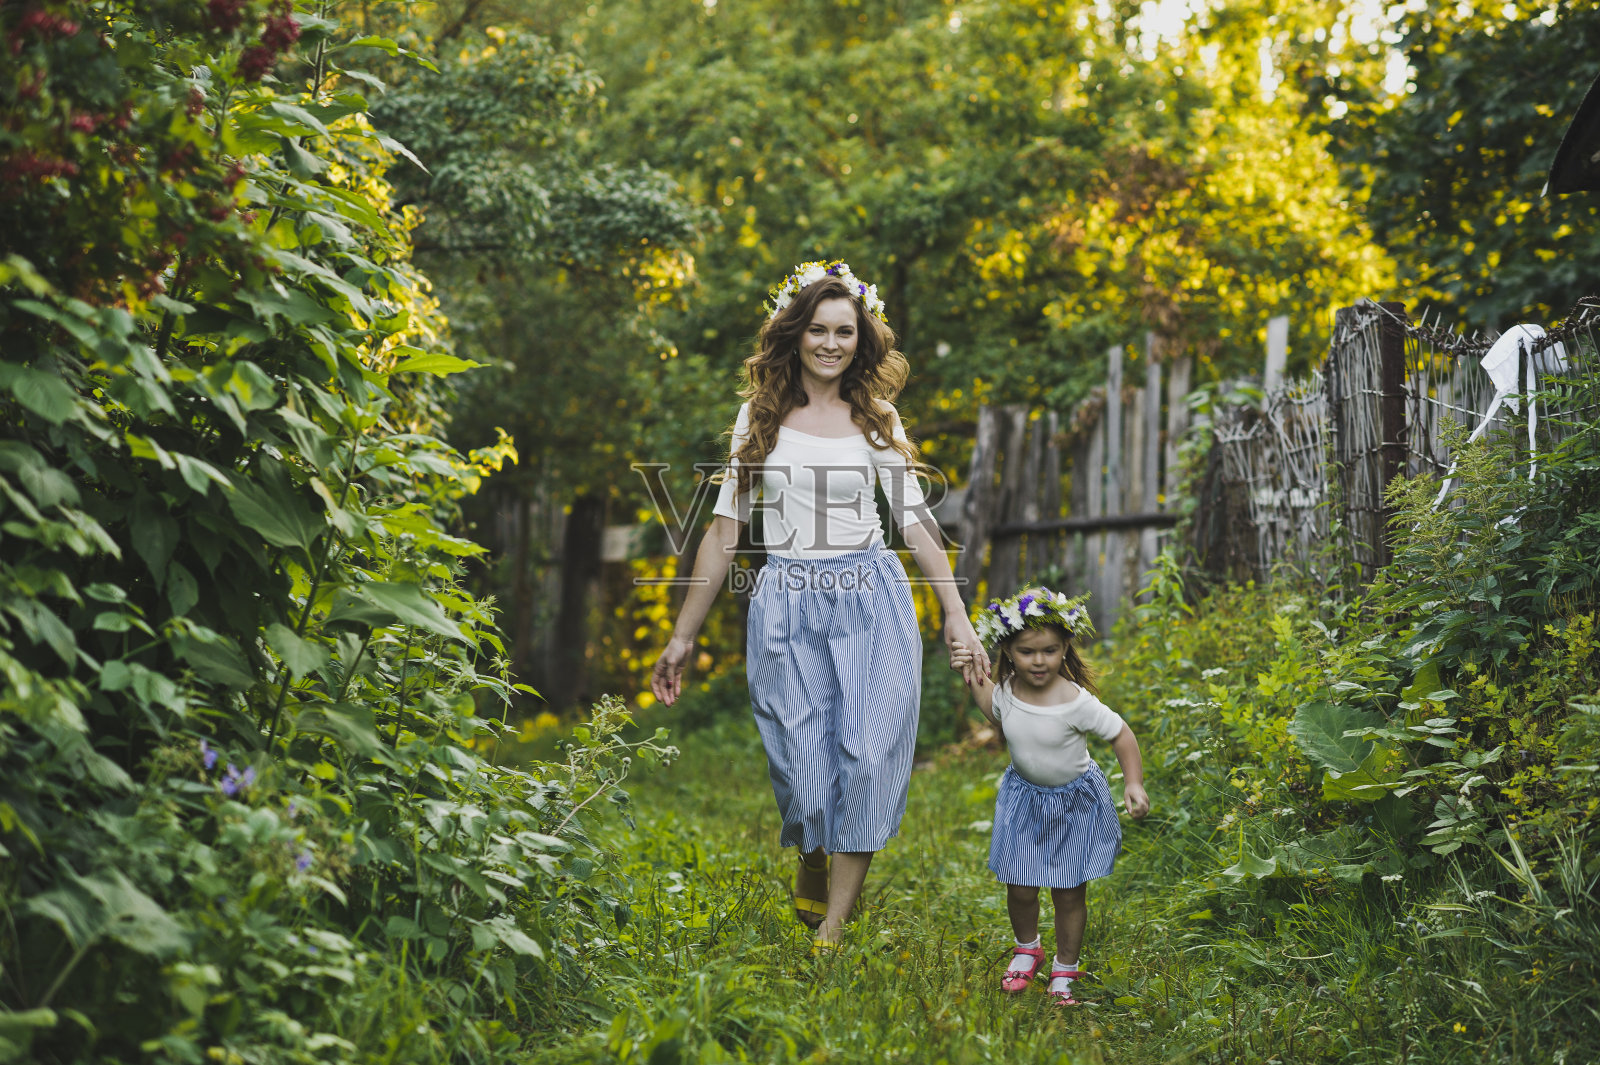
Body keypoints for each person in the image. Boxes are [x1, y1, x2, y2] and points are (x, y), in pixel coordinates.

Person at [649, 260, 989, 946]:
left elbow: (916, 520)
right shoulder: (762, 415)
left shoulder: (877, 418)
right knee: (801, 763)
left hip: (871, 597)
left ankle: (832, 926)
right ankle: (810, 846)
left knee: (866, 754)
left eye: (846, 331)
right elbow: (723, 530)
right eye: (818, 330)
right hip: (786, 599)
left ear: (862, 339)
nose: (831, 343)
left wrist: (955, 611)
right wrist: (683, 634)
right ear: (794, 333)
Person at [948, 587, 1149, 1004]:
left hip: (1074, 804)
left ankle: (1065, 969)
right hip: (1024, 800)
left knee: (1068, 891)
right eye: (1027, 651)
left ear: (1064, 649)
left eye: (1050, 650)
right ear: (1008, 650)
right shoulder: (1007, 690)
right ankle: (1028, 948)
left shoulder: (1076, 701)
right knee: (1019, 884)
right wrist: (971, 673)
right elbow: (992, 708)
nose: (1038, 660)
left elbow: (1122, 735)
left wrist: (1133, 783)